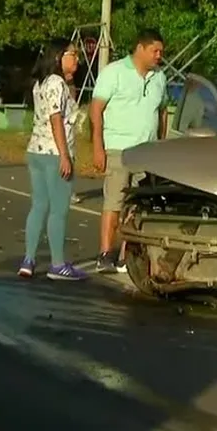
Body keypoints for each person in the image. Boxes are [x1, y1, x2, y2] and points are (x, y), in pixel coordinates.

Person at [90, 29, 169, 274]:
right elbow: (96, 110)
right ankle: (105, 254)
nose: (159, 56)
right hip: (118, 149)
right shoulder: (114, 73)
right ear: (140, 48)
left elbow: (163, 111)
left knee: (136, 206)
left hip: (146, 151)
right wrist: (98, 147)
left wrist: (160, 144)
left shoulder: (159, 77)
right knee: (114, 202)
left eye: (161, 52)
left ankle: (126, 255)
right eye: (155, 51)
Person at [18, 39, 87, 281]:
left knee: (39, 205)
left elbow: (69, 107)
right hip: (55, 153)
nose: (77, 59)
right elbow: (56, 119)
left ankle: (28, 259)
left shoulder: (43, 82)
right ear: (59, 57)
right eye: (72, 54)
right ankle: (58, 264)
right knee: (59, 210)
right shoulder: (56, 83)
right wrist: (65, 156)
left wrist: (70, 82)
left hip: (36, 151)